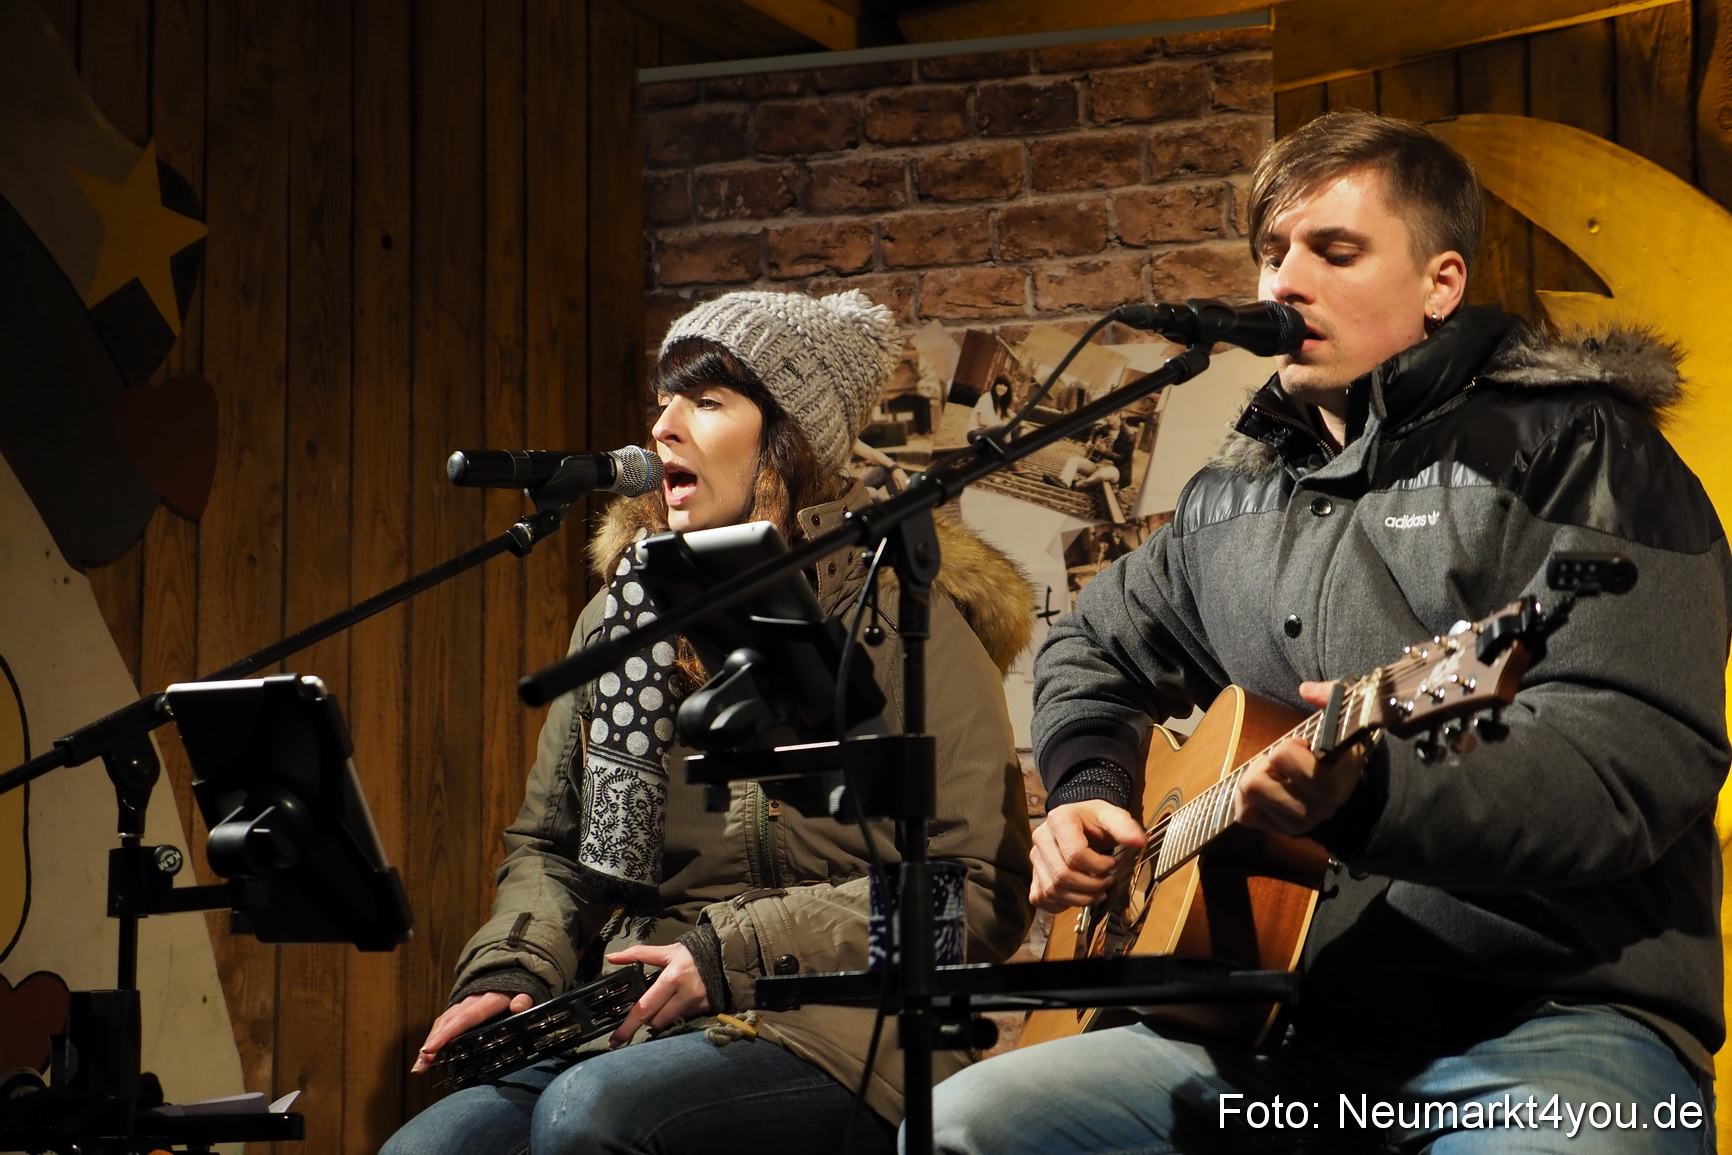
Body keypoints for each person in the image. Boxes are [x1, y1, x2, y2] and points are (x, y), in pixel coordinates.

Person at [927, 110, 1732, 1154]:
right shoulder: (1230, 498)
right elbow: (1091, 645)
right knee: (963, 1126)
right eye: (1271, 253)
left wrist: (1376, 795)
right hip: (1278, 1025)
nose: (1282, 283)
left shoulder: (1584, 452)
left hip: (1546, 1022)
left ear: (1440, 283)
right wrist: (1087, 788)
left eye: (1332, 250)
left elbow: (1629, 762)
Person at [381, 289, 1034, 1155]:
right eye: (663, 400)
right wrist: (516, 967)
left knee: (592, 1118)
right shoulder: (622, 620)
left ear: (787, 441)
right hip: (638, 1014)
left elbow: (972, 898)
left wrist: (739, 948)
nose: (664, 428)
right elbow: (554, 850)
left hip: (844, 1026)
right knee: (424, 1151)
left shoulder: (906, 618)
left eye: (708, 400)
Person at [1047, 411, 1134, 491]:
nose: (1107, 417)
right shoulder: (1105, 428)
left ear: (1118, 414)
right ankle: (1064, 482)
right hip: (1097, 465)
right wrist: (1090, 441)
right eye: (1106, 415)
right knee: (1074, 460)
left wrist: (1105, 452)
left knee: (1103, 473)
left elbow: (1124, 459)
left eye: (1110, 414)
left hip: (1115, 471)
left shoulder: (1128, 435)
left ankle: (1079, 485)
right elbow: (1094, 430)